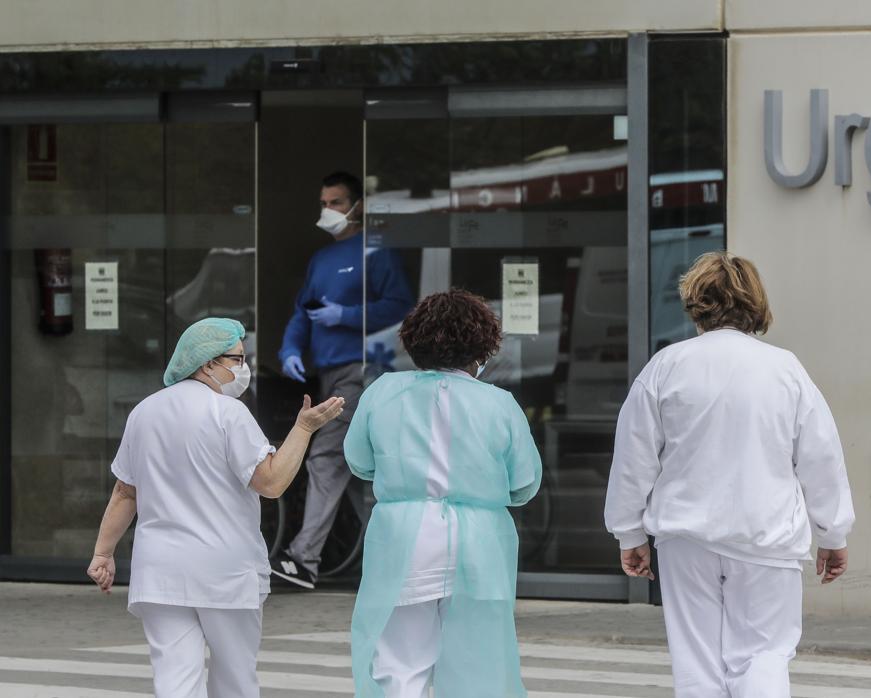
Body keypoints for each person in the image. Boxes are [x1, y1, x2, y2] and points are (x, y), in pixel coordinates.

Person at [604, 251, 856, 698]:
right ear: (755, 304)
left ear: (695, 301)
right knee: (763, 655)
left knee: (696, 663)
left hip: (686, 539)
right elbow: (821, 458)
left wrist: (629, 533)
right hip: (766, 536)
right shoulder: (786, 370)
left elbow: (633, 458)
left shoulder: (665, 367)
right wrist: (832, 534)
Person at [86, 318, 345, 698]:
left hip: (161, 573)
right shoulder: (227, 412)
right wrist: (303, 429)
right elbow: (271, 483)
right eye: (237, 359)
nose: (244, 368)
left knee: (174, 681)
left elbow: (126, 492)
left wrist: (103, 553)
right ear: (207, 363)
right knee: (235, 681)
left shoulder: (144, 411)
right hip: (225, 572)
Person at [345, 289, 541, 697]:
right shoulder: (500, 403)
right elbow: (523, 484)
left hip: (404, 539)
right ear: (482, 347)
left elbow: (359, 462)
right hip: (480, 543)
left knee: (400, 661)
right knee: (480, 662)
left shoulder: (382, 392)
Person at [272, 170, 414, 589]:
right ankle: (399, 558)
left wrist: (346, 317)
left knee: (327, 457)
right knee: (357, 470)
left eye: (335, 202)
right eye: (324, 203)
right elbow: (303, 312)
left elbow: (400, 305)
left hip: (362, 369)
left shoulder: (376, 252)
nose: (327, 210)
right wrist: (290, 350)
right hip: (329, 372)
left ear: (358, 207)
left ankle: (304, 559)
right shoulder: (321, 259)